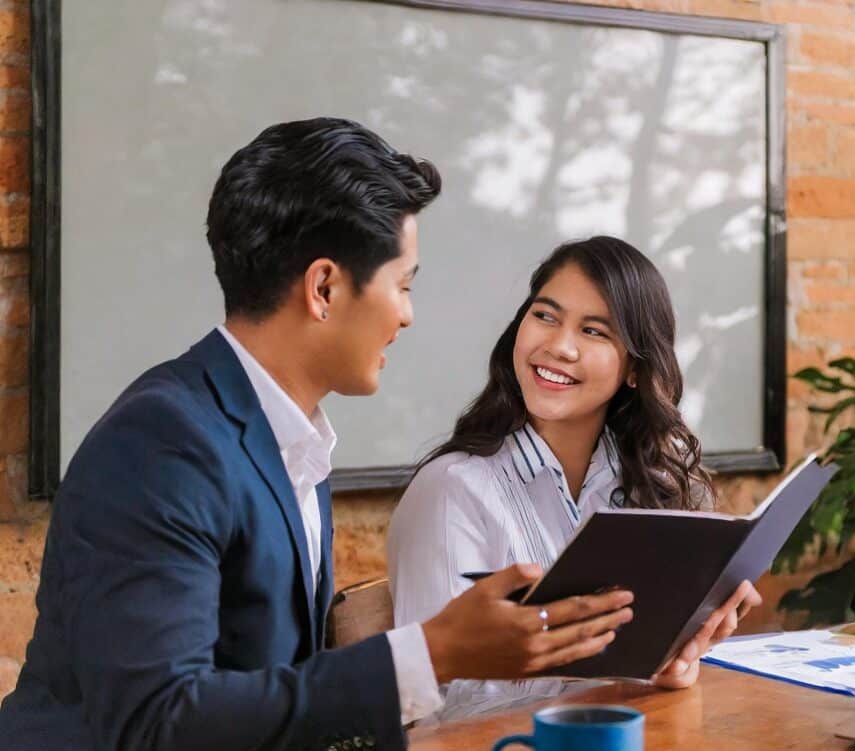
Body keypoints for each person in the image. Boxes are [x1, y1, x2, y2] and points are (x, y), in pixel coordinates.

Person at [0, 119, 635, 751]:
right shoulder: (159, 446)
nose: (408, 314)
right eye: (403, 284)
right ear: (325, 288)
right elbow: (160, 721)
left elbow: (275, 695)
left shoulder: (290, 439)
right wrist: (430, 653)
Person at [388, 236, 762, 718]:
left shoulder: (651, 483)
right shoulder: (451, 491)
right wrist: (604, 675)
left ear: (634, 369)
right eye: (545, 316)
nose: (559, 347)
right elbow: (438, 708)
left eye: (594, 331)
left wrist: (672, 660)